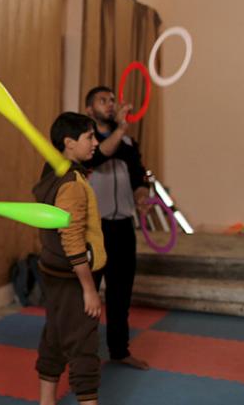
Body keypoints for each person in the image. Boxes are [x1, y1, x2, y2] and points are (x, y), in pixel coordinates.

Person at [32, 112, 106, 405]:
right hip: (73, 278)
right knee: (83, 345)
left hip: (53, 272)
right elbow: (72, 238)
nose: (96, 143)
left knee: (55, 336)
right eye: (90, 137)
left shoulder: (50, 172)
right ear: (69, 143)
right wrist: (89, 289)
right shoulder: (71, 183)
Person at [83, 86, 150, 370]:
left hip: (123, 227)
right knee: (88, 295)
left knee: (120, 294)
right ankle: (83, 355)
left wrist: (142, 196)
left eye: (112, 100)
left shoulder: (127, 143)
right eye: (103, 101)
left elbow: (138, 177)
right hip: (93, 229)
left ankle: (120, 351)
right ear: (89, 109)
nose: (110, 105)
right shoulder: (88, 142)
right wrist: (121, 128)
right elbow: (100, 157)